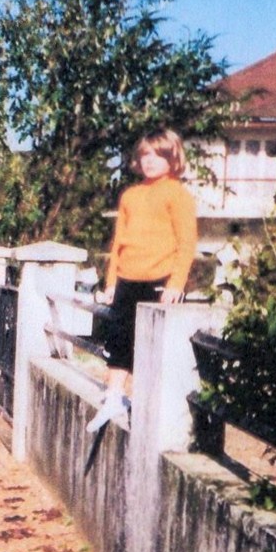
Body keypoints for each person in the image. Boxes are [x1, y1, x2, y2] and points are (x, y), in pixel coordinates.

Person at [86, 128, 198, 432]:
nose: (149, 161)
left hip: (159, 281)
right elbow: (118, 242)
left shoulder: (178, 194)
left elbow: (187, 243)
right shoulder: (131, 195)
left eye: (158, 155)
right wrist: (111, 281)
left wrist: (176, 283)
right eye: (144, 155)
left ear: (172, 158)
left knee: (153, 345)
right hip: (127, 279)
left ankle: (152, 408)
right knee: (119, 338)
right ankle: (114, 396)